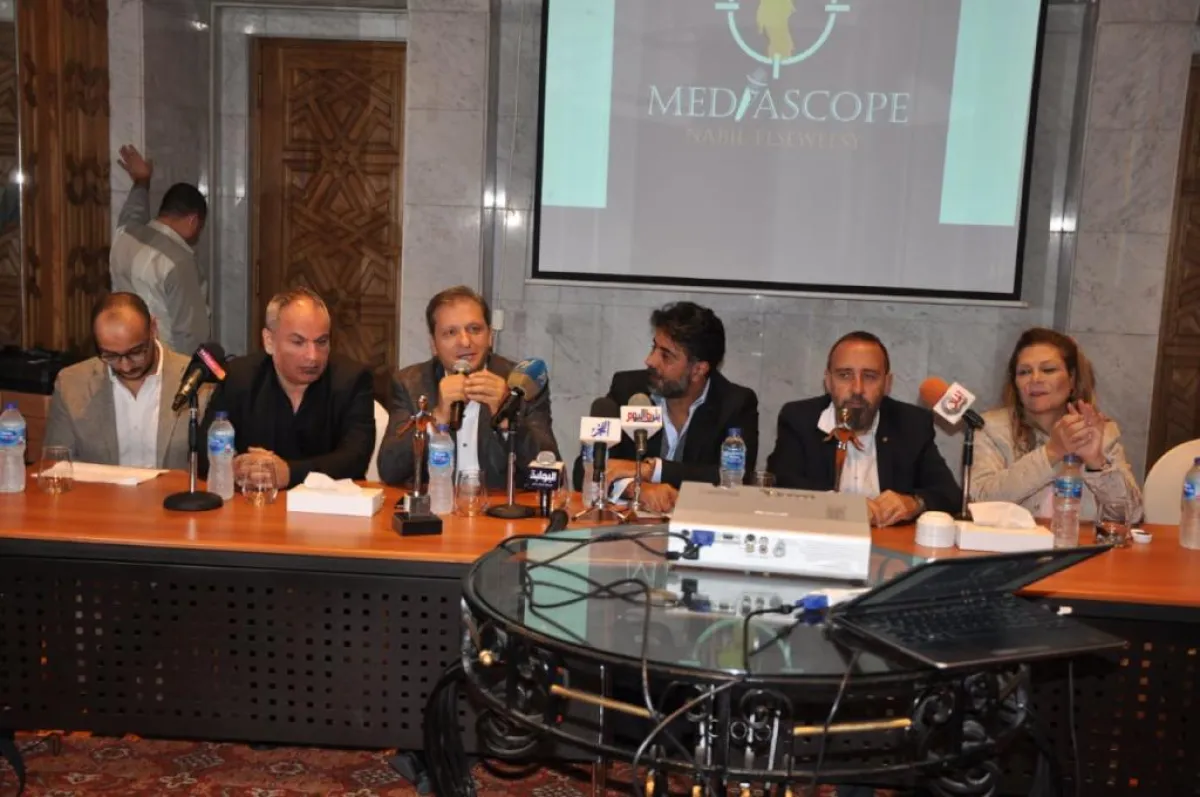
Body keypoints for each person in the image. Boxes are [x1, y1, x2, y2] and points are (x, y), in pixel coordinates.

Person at [574, 301, 759, 514]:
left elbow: (732, 479)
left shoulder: (734, 404)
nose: (650, 360)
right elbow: (586, 470)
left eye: (666, 355)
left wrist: (652, 470)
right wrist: (637, 488)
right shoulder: (629, 390)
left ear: (698, 370)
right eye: (654, 347)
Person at [767, 331, 960, 526]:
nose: (857, 389)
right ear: (828, 381)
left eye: (870, 376)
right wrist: (844, 505)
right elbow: (780, 484)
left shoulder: (912, 423)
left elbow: (949, 493)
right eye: (845, 375)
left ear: (887, 384)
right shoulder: (800, 419)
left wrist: (914, 503)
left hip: (889, 542)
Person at [378, 286, 559, 489]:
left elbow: (550, 473)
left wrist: (508, 418)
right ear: (434, 345)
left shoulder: (523, 382)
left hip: (500, 505)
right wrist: (436, 418)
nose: (465, 342)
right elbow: (389, 471)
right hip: (437, 504)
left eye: (475, 329)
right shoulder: (410, 383)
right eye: (450, 332)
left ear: (490, 336)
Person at [199, 287, 375, 489]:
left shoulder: (351, 380)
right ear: (269, 341)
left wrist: (290, 473)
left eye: (321, 342)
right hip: (254, 504)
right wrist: (235, 466)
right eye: (298, 342)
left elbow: (355, 459)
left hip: (328, 505)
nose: (313, 356)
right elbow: (203, 452)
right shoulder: (239, 377)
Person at [970, 327, 1142, 520]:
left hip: (1080, 539)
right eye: (1024, 372)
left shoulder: (1099, 430)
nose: (1035, 379)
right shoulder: (991, 428)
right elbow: (979, 502)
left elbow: (1132, 516)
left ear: (1072, 379)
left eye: (1048, 370)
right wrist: (1051, 452)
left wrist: (1097, 464)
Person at [44, 292, 198, 469]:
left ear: (153, 329)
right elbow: (56, 466)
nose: (125, 366)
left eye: (136, 352)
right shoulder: (71, 384)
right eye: (111, 356)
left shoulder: (197, 380)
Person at [109, 144, 210, 355]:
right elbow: (191, 336)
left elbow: (133, 213)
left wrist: (141, 181)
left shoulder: (125, 235)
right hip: (162, 363)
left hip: (123, 353)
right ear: (193, 220)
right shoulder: (179, 262)